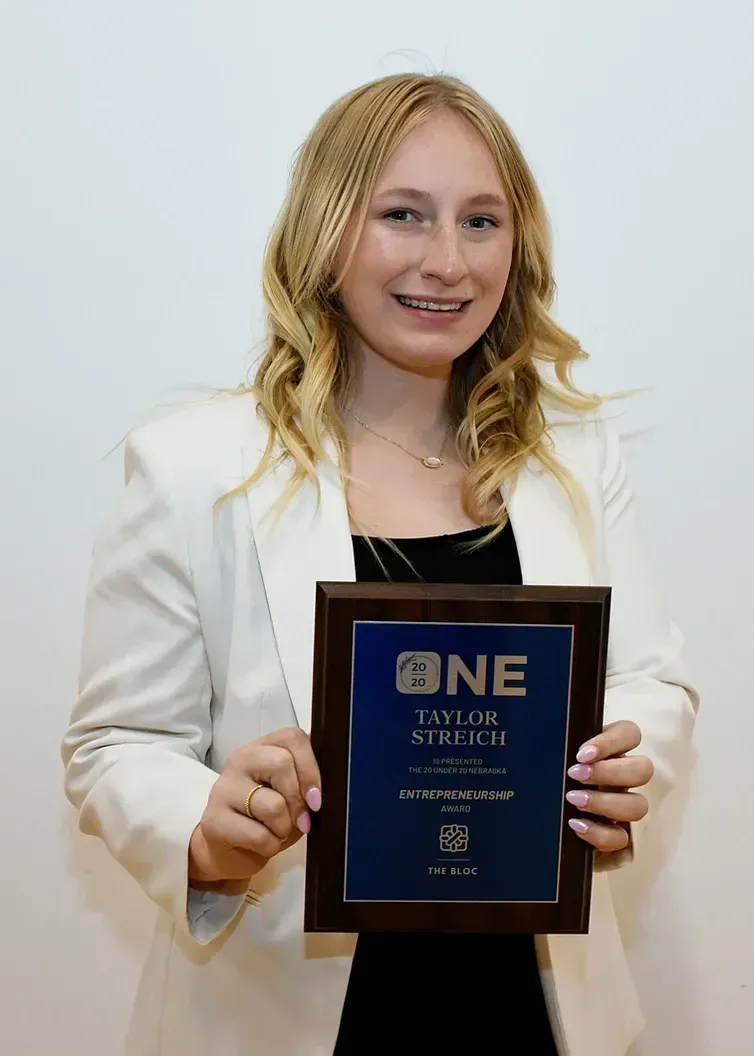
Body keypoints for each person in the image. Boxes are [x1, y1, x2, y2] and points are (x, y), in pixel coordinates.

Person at [62, 72, 698, 1056]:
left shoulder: (576, 455)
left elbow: (650, 684)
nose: (447, 261)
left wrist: (626, 767)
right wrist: (208, 828)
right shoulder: (194, 465)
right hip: (283, 1016)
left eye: (482, 221)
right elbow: (115, 743)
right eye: (404, 215)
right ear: (327, 232)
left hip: (537, 1011)